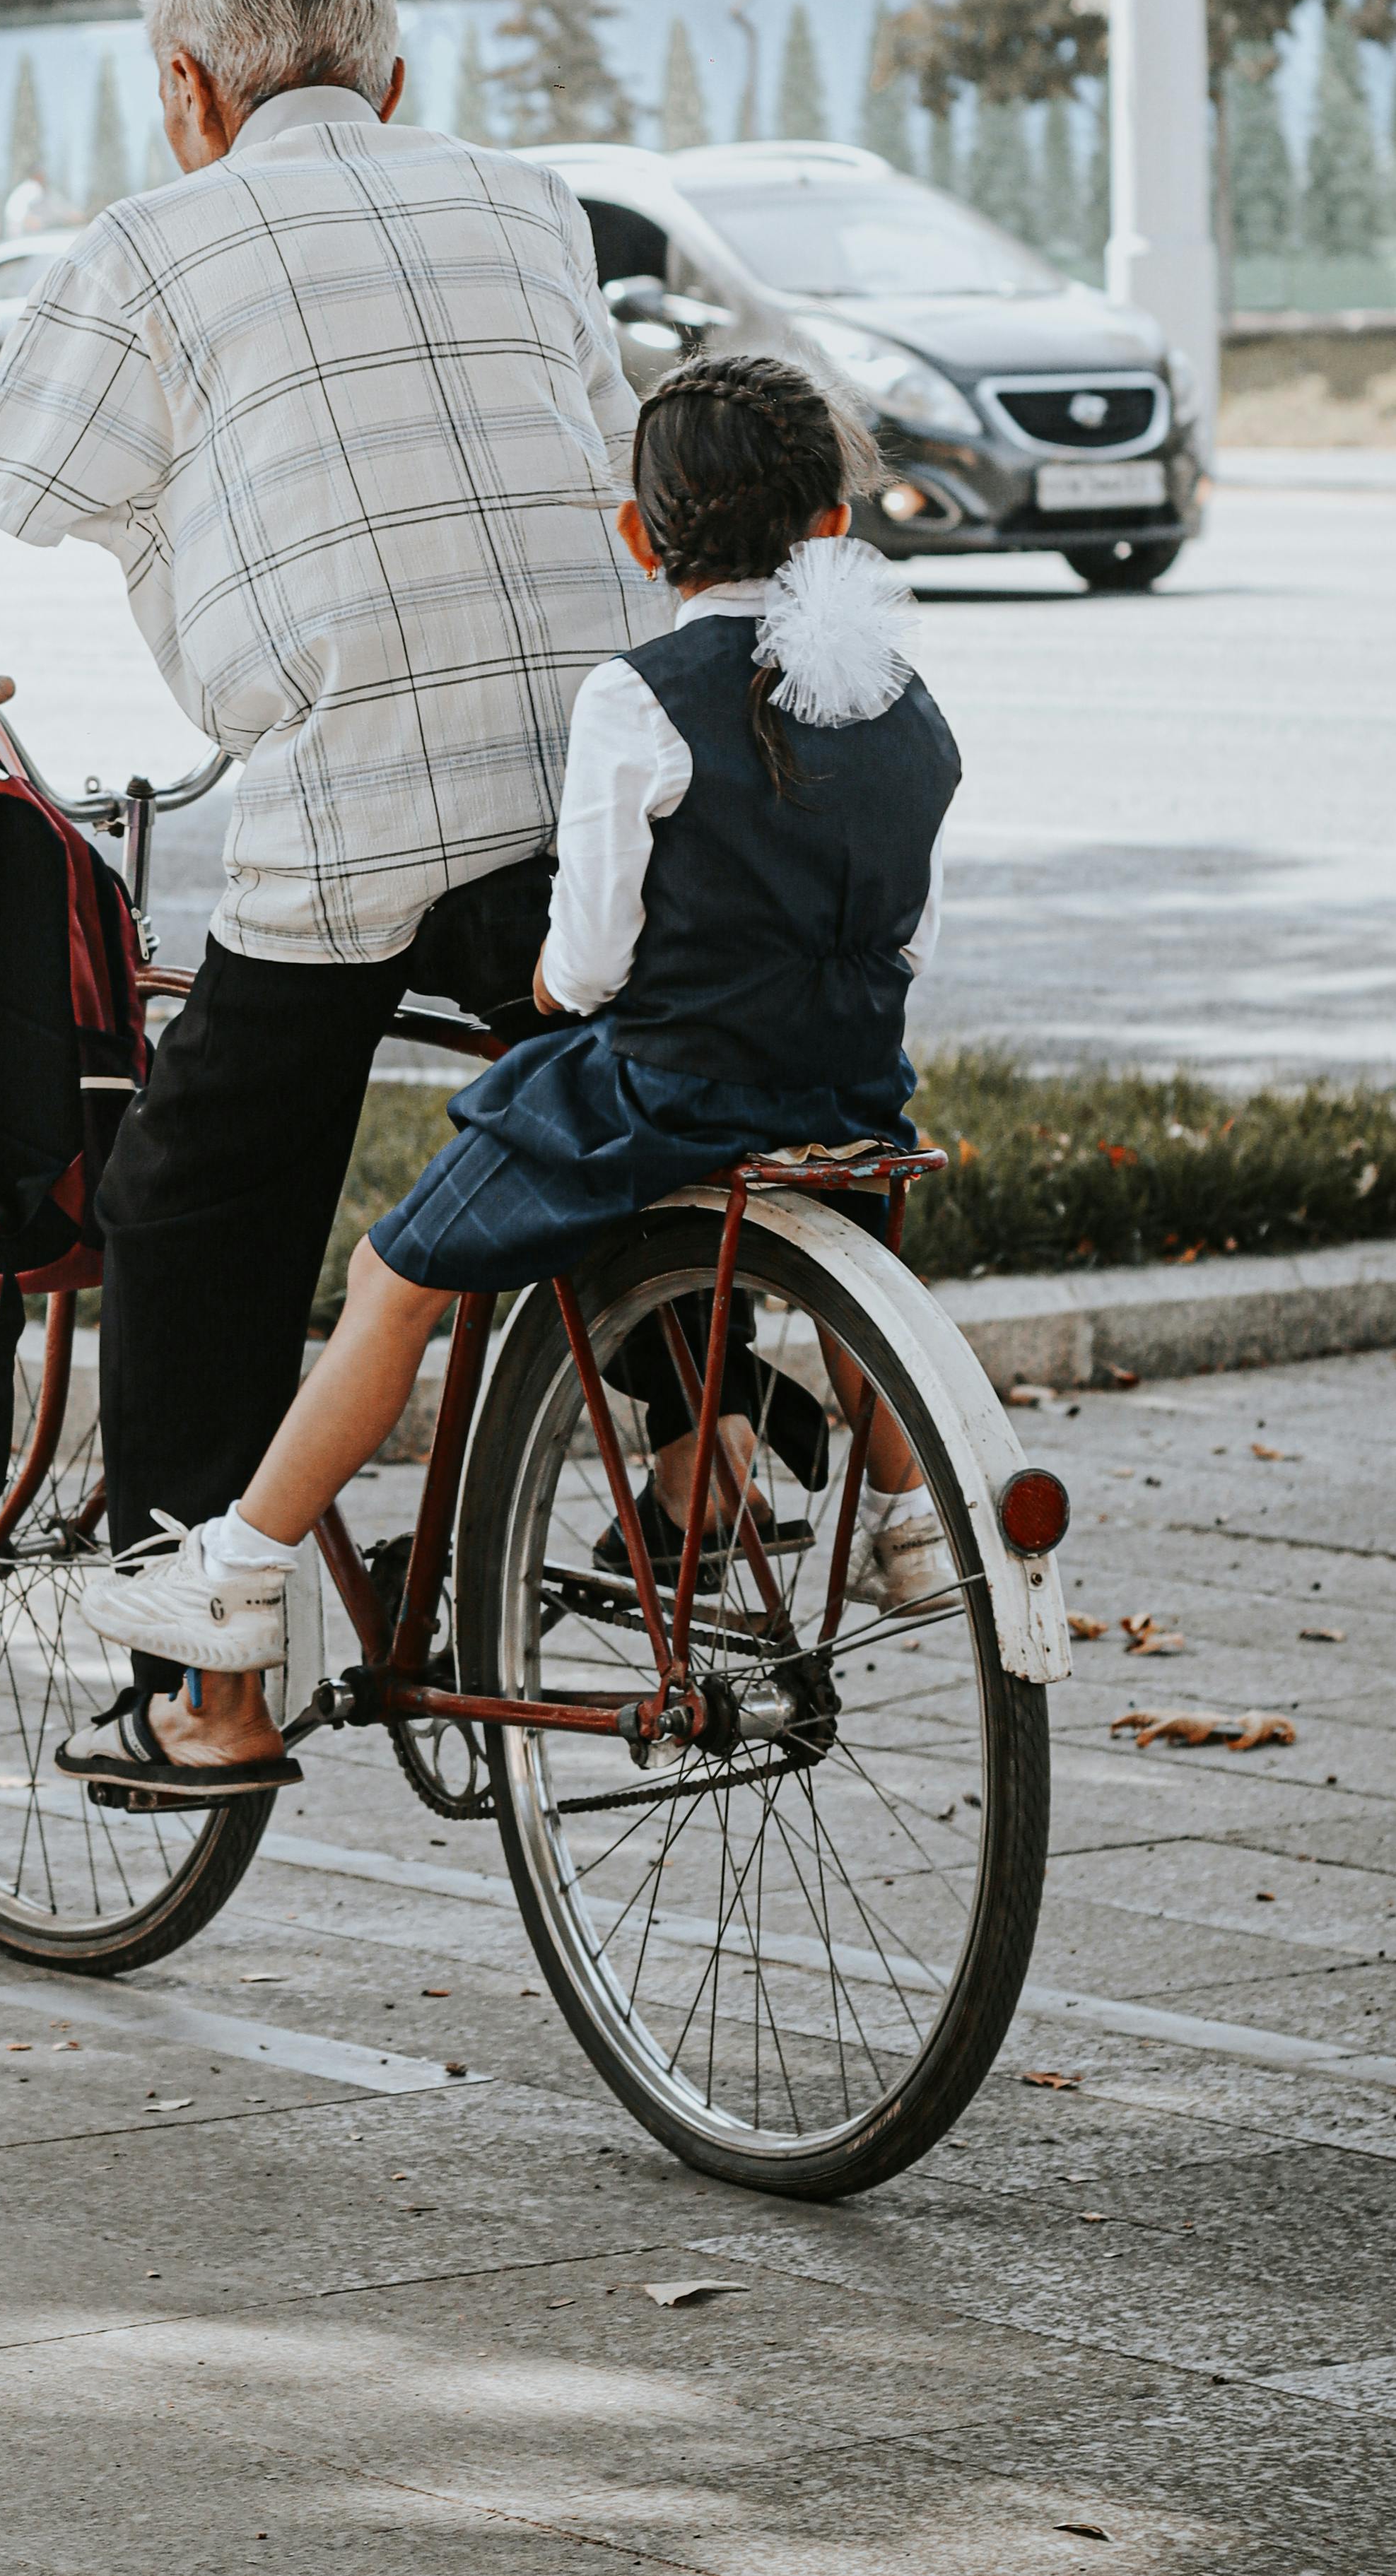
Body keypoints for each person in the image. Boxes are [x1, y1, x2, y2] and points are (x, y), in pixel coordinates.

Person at [0, 0, 665, 1792]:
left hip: (359, 804)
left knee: (192, 1196)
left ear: (183, 93)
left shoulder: (145, 241)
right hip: (617, 781)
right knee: (600, 1086)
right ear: (392, 82)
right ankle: (694, 1470)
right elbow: (618, 475)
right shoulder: (528, 200)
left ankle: (196, 1677)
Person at [80, 352, 963, 1789]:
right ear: (827, 523)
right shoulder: (897, 694)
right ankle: (914, 1523)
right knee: (849, 1234)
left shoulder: (642, 697)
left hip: (660, 1092)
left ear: (637, 537)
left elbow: (592, 963)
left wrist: (551, 991)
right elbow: (910, 931)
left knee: (397, 1273)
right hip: (845, 1089)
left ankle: (235, 1575)